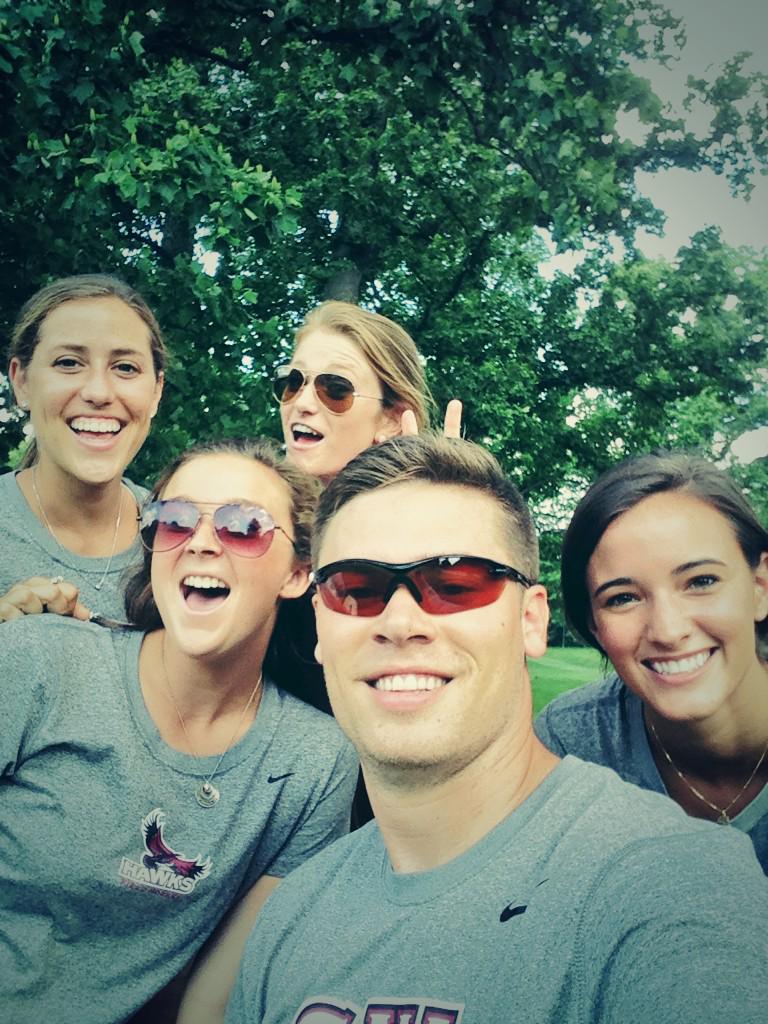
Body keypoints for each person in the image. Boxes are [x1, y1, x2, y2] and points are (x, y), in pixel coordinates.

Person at [226, 434, 768, 1024]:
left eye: (457, 584)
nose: (401, 622)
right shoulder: (292, 918)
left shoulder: (675, 884)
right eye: (356, 589)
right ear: (319, 626)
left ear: (531, 620)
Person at [0, 437, 358, 1024]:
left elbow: (212, 1004)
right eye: (174, 519)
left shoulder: (315, 762)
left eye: (244, 526)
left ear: (297, 573)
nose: (200, 541)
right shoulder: (37, 659)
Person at [534, 451, 768, 872]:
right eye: (622, 598)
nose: (667, 630)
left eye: (701, 581)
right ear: (593, 623)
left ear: (760, 587)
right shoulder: (571, 743)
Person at [0, 274, 166, 623]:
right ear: (22, 381)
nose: (99, 392)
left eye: (125, 367)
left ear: (156, 392)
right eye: (68, 363)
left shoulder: (181, 537)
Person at [274, 299, 460, 484]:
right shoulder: (251, 506)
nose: (302, 403)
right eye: (293, 382)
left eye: (336, 389)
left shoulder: (416, 511)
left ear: (392, 420)